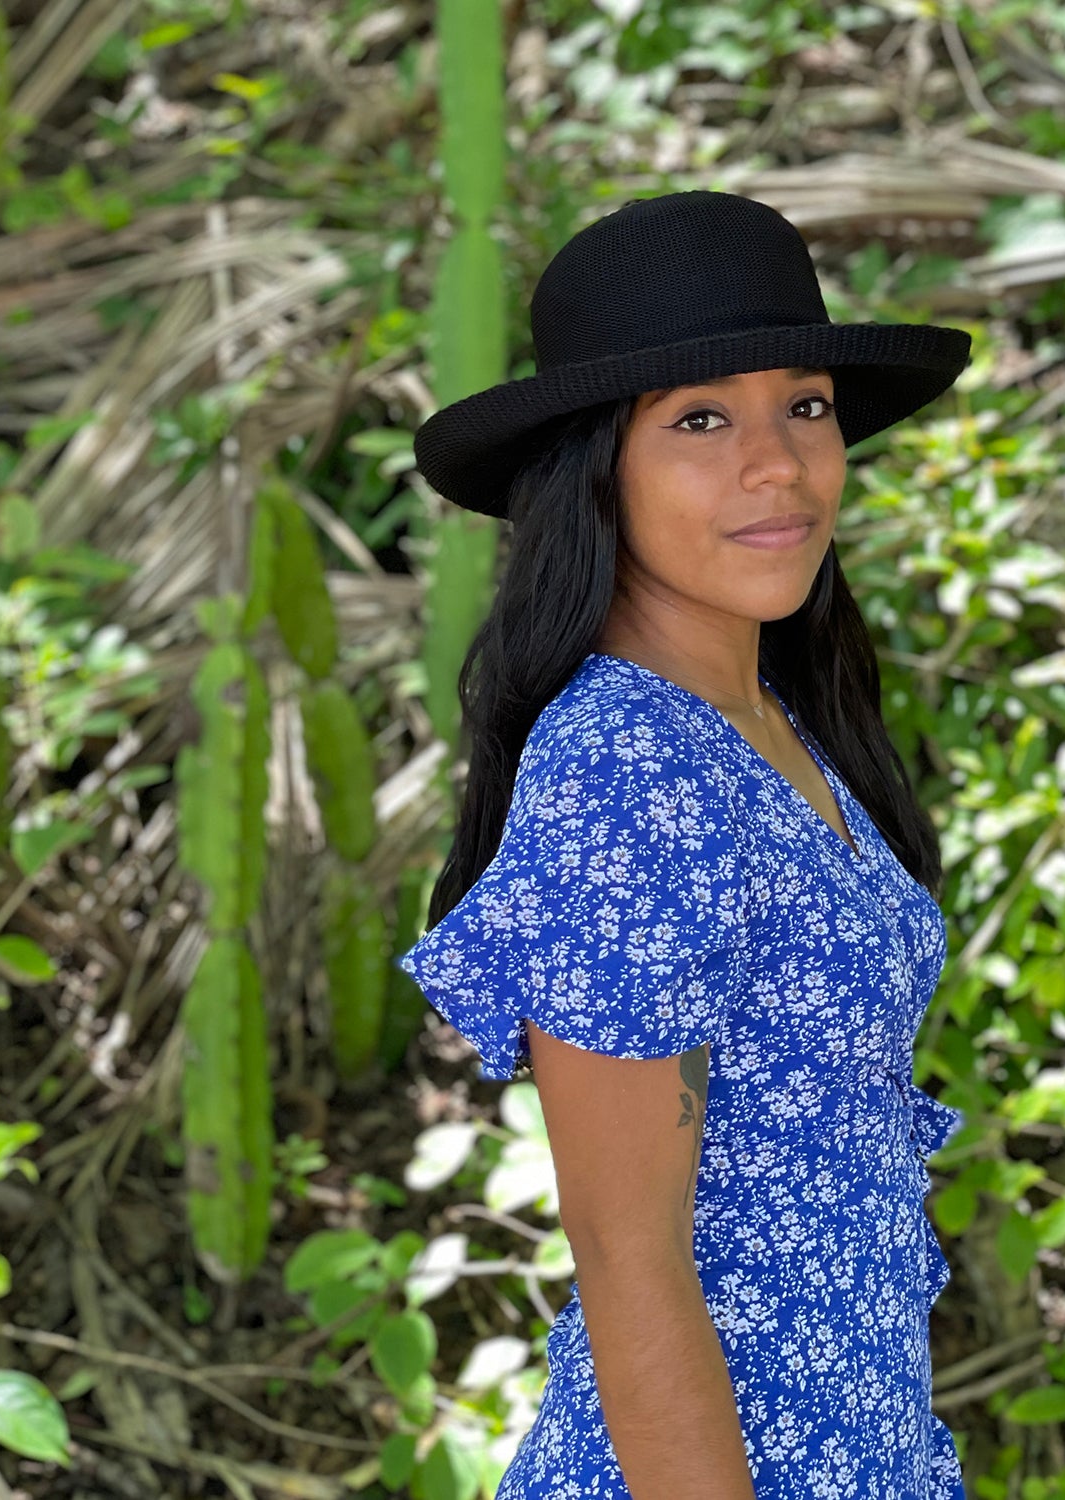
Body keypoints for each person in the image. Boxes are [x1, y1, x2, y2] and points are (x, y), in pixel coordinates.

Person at [395, 189, 972, 1500]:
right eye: (701, 420)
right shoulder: (623, 767)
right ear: (599, 465)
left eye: (805, 405)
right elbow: (628, 1259)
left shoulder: (768, 717)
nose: (776, 464)